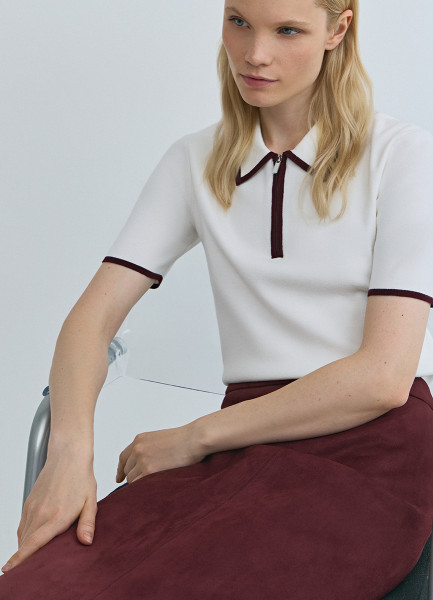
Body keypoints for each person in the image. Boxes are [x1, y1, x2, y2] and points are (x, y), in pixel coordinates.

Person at [2, 0, 433, 597]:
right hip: (238, 447)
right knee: (39, 587)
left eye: (287, 30)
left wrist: (194, 436)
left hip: (371, 449)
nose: (255, 54)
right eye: (239, 22)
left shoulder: (401, 155)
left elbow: (382, 378)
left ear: (338, 29)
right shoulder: (194, 161)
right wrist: (68, 456)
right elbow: (91, 321)